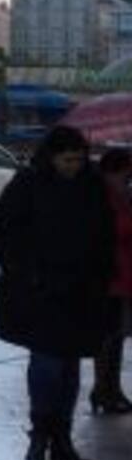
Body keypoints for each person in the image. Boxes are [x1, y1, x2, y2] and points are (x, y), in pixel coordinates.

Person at [0, 125, 115, 460]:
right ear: (52, 157)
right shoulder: (28, 184)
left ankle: (61, 439)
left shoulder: (91, 186)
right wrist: (27, 272)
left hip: (81, 291)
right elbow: (1, 233)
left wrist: (101, 278)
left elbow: (105, 236)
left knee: (69, 366)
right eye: (66, 160)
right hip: (39, 291)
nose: (73, 166)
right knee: (48, 362)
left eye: (78, 160)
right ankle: (41, 431)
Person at [92, 147, 132, 414]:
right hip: (109, 277)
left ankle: (112, 388)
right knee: (108, 336)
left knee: (118, 336)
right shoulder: (100, 198)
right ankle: (103, 389)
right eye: (126, 173)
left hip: (125, 276)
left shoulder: (122, 196)